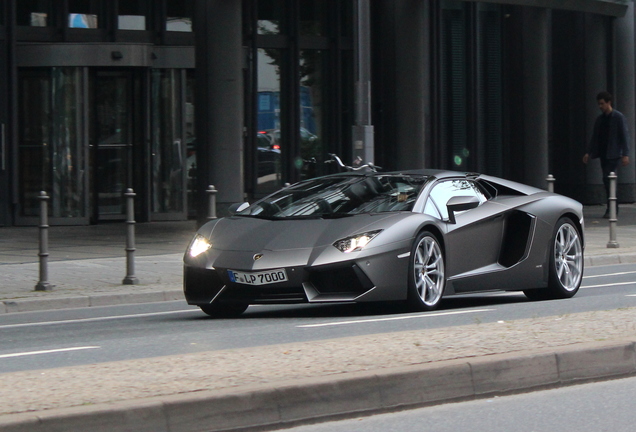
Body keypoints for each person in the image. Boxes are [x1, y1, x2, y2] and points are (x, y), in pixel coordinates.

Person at [582, 91, 630, 218]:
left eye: (602, 104)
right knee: (606, 180)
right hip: (604, 153)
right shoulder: (600, 119)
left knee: (609, 179)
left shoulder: (618, 117)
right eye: (599, 104)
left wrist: (625, 154)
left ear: (609, 103)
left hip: (613, 154)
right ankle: (612, 206)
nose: (600, 106)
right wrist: (589, 152)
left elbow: (624, 136)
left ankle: (612, 207)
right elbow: (595, 137)